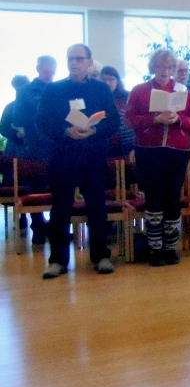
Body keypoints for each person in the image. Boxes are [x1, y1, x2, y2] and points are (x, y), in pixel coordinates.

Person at [35, 44, 120, 278]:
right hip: (63, 157)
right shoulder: (54, 90)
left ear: (89, 62)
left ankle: (101, 256)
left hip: (93, 156)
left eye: (79, 59)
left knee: (97, 206)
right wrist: (65, 132)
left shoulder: (101, 90)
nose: (74, 63)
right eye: (71, 59)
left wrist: (95, 131)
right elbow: (42, 123)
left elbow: (112, 122)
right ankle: (57, 261)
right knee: (61, 208)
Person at [126, 49, 190, 266]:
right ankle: (154, 248)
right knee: (154, 196)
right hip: (149, 149)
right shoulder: (139, 90)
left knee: (172, 197)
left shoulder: (183, 91)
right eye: (160, 66)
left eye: (169, 67)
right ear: (153, 67)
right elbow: (130, 120)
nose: (165, 71)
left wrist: (178, 119)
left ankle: (170, 247)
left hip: (178, 150)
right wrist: (155, 119)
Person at [13, 55, 58, 244]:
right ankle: (38, 228)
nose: (49, 75)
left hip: (56, 146)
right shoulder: (25, 91)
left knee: (58, 188)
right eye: (46, 71)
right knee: (36, 188)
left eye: (52, 72)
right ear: (38, 68)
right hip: (35, 147)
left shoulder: (58, 89)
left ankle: (56, 229)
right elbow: (18, 117)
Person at [99, 66, 134, 158]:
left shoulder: (127, 96)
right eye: (104, 79)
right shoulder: (96, 99)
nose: (107, 83)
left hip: (129, 144)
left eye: (111, 79)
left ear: (117, 81)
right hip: (106, 145)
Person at [1, 75, 31, 157]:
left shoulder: (36, 105)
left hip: (32, 148)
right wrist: (16, 134)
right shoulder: (10, 107)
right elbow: (3, 129)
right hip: (15, 148)